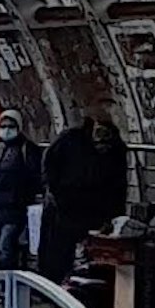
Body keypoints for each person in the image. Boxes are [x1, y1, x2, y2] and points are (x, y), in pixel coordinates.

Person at [43, 99, 130, 294]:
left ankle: (82, 289)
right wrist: (56, 192)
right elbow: (50, 166)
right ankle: (58, 287)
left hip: (93, 208)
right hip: (68, 205)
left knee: (88, 251)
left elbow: (119, 185)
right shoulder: (70, 141)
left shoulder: (115, 149)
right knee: (61, 250)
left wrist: (115, 216)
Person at [0, 103, 46, 274]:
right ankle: (1, 282)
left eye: (11, 126)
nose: (6, 130)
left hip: (14, 207)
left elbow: (35, 177)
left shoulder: (27, 149)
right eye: (3, 126)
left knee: (7, 246)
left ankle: (9, 283)